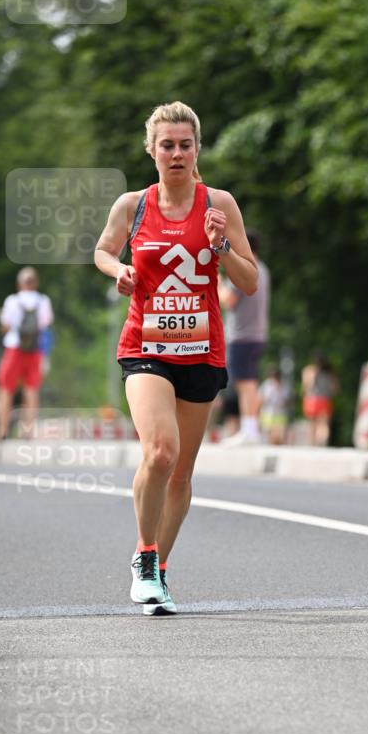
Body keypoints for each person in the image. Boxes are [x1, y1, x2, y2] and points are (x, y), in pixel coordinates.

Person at [94, 100, 257, 616]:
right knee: (160, 453)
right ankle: (144, 558)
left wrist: (221, 246)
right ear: (152, 151)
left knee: (182, 474)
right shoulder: (132, 206)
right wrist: (118, 271)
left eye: (186, 144)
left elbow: (249, 281)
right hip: (144, 347)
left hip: (202, 352)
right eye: (167, 145)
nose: (177, 153)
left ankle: (159, 570)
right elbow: (103, 250)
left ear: (198, 149)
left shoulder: (219, 204)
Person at [218, 230, 270, 444]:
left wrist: (218, 282)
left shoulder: (243, 269)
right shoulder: (263, 269)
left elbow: (228, 300)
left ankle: (249, 430)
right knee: (251, 382)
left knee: (244, 383)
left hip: (242, 335)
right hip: (257, 334)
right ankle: (251, 428)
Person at [0, 266, 54, 440]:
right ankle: (28, 430)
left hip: (14, 348)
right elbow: (46, 324)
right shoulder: (43, 301)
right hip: (35, 349)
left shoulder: (12, 301)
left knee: (5, 388)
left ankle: (2, 429)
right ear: (36, 283)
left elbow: (5, 325)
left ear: (19, 283)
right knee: (32, 389)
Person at [301, 353, 339, 446]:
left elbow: (306, 386)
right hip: (325, 399)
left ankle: (313, 443)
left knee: (312, 423)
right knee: (324, 424)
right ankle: (322, 442)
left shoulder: (309, 370)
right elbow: (335, 388)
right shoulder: (330, 372)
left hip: (312, 400)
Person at [259, 367, 291, 445]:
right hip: (268, 412)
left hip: (280, 412)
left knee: (280, 432)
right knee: (269, 432)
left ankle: (279, 444)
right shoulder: (266, 385)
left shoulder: (284, 385)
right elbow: (261, 399)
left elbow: (287, 400)